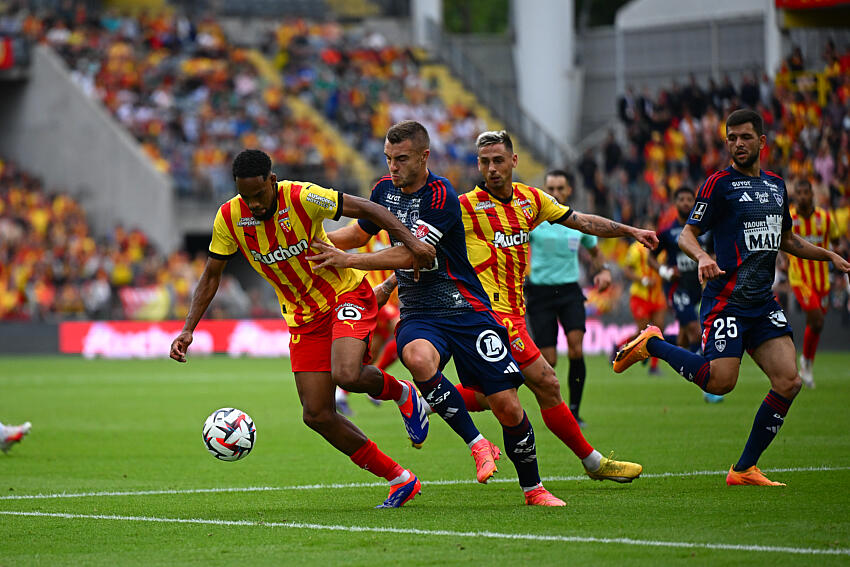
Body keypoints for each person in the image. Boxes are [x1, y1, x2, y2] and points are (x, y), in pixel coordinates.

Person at [309, 121, 564, 506]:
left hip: (466, 309)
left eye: (402, 159)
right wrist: (311, 245)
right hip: (420, 310)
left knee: (508, 407)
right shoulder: (382, 191)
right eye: (388, 159)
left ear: (424, 157)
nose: (393, 167)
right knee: (415, 357)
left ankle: (534, 488)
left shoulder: (441, 195)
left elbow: (413, 252)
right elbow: (358, 233)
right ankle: (477, 443)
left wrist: (348, 260)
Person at [169, 149, 436, 509]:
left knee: (346, 374)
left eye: (259, 195)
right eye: (245, 197)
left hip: (344, 295)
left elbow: (371, 209)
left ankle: (403, 393)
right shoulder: (229, 218)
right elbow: (212, 275)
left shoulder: (303, 196)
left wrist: (413, 242)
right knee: (317, 414)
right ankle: (400, 478)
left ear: (272, 181)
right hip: (303, 317)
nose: (254, 205)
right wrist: (189, 328)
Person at [613, 109, 850, 486]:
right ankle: (654, 344)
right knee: (721, 383)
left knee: (789, 381)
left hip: (762, 302)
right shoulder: (719, 184)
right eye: (731, 139)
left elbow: (786, 239)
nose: (738, 144)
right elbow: (686, 235)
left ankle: (743, 469)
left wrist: (828, 255)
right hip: (726, 300)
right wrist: (704, 256)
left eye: (744, 137)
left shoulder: (776, 185)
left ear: (761, 142)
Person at [445, 130, 655, 483]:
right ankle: (592, 463)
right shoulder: (464, 207)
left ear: (514, 161)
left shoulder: (532, 200)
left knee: (496, 394)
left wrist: (630, 230)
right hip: (487, 316)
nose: (492, 169)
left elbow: (584, 222)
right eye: (485, 162)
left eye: (498, 161)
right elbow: (425, 243)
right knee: (545, 381)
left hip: (517, 311)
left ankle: (424, 399)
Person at [525, 169, 613, 426]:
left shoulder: (577, 224)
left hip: (569, 292)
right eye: (549, 188)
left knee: (576, 347)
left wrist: (604, 271)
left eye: (559, 188)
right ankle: (556, 409)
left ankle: (574, 410)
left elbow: (595, 253)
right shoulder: (534, 223)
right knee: (548, 359)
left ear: (568, 191)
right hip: (540, 294)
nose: (554, 193)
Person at [650, 187, 724, 403]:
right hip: (677, 288)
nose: (685, 202)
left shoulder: (705, 231)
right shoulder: (667, 232)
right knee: (695, 331)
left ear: (694, 203)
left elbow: (713, 252)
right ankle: (708, 386)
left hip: (699, 287)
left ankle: (652, 343)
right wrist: (664, 272)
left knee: (683, 341)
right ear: (675, 203)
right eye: (680, 199)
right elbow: (651, 258)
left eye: (688, 199)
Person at [335, 222, 400, 416]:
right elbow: (345, 240)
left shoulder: (400, 225)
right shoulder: (364, 223)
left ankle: (341, 394)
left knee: (371, 351)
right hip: (373, 293)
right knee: (401, 331)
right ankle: (376, 389)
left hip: (393, 297)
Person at [787, 179, 842, 388]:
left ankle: (807, 363)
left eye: (805, 193)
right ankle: (806, 364)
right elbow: (781, 241)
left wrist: (840, 258)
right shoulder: (789, 217)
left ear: (812, 195)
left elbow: (836, 242)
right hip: (800, 279)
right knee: (816, 317)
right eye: (798, 193)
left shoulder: (826, 218)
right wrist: (782, 260)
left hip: (823, 281)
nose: (802, 196)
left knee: (817, 324)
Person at [620, 220, 667, 376]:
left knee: (658, 329)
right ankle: (619, 346)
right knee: (642, 331)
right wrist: (642, 280)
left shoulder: (663, 248)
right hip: (640, 295)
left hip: (658, 295)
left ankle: (654, 367)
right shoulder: (635, 249)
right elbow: (626, 270)